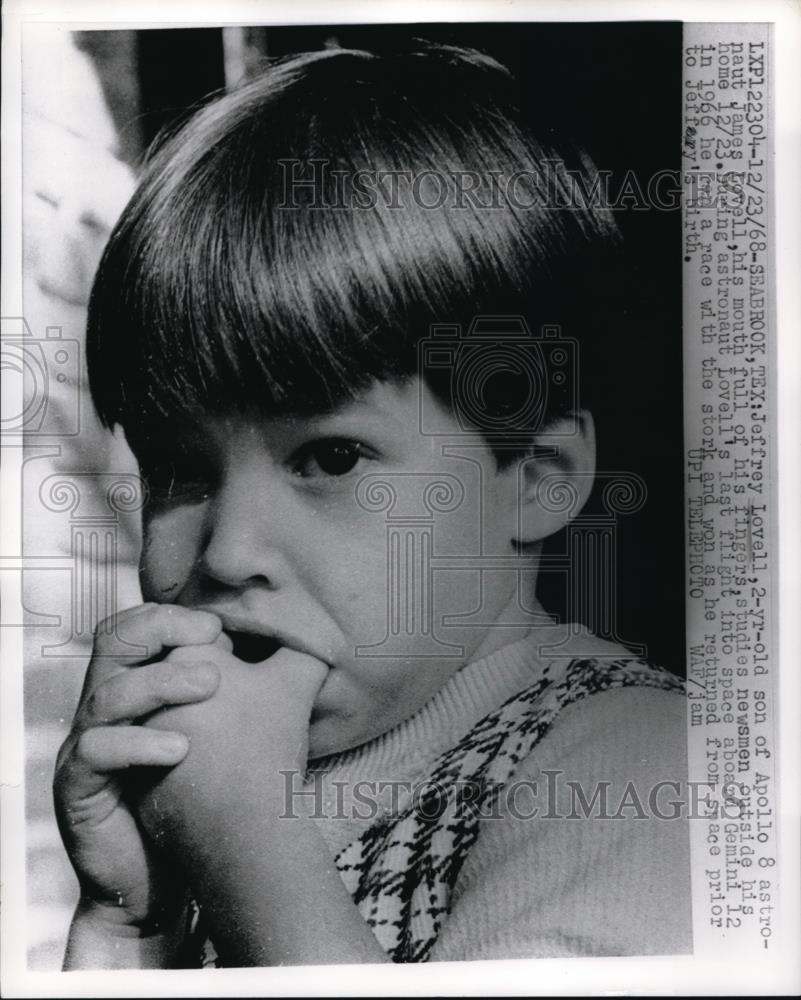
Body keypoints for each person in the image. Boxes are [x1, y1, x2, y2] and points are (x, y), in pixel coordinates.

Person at [53, 43, 691, 969]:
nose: (227, 551)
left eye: (329, 456)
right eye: (180, 472)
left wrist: (246, 836)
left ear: (537, 476)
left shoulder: (639, 768)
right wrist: (128, 925)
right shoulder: (220, 780)